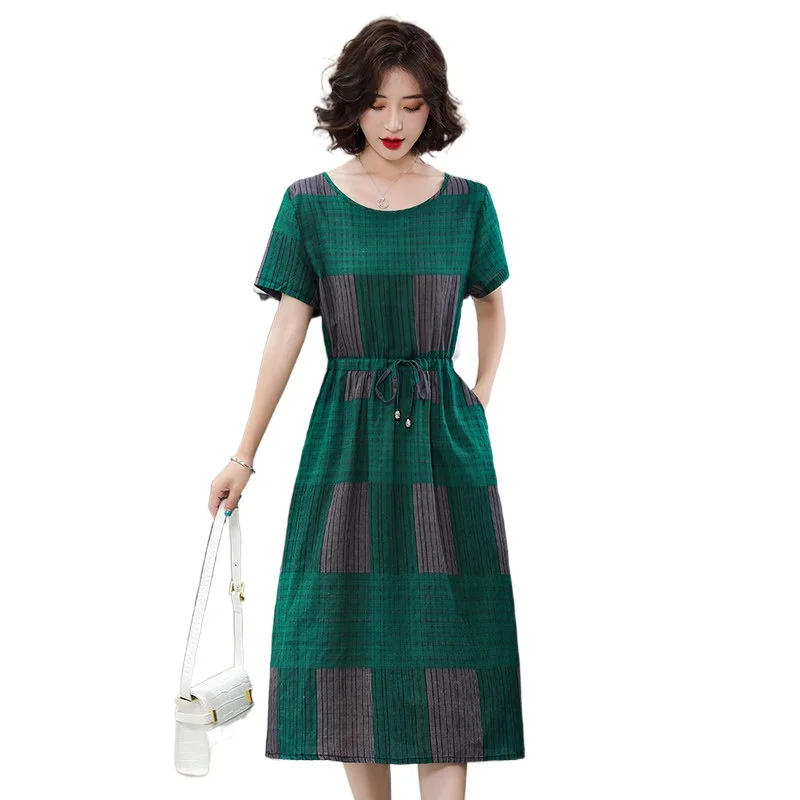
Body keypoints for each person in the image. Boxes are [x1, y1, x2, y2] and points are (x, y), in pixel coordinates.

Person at [209, 16, 525, 800]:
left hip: (444, 441)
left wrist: (479, 393)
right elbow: (288, 327)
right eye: (379, 103)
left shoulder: (468, 204)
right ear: (352, 102)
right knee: (352, 633)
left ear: (433, 108)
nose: (393, 123)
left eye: (412, 105)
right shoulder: (310, 204)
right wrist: (244, 454)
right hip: (346, 439)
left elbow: (491, 302)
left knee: (449, 640)